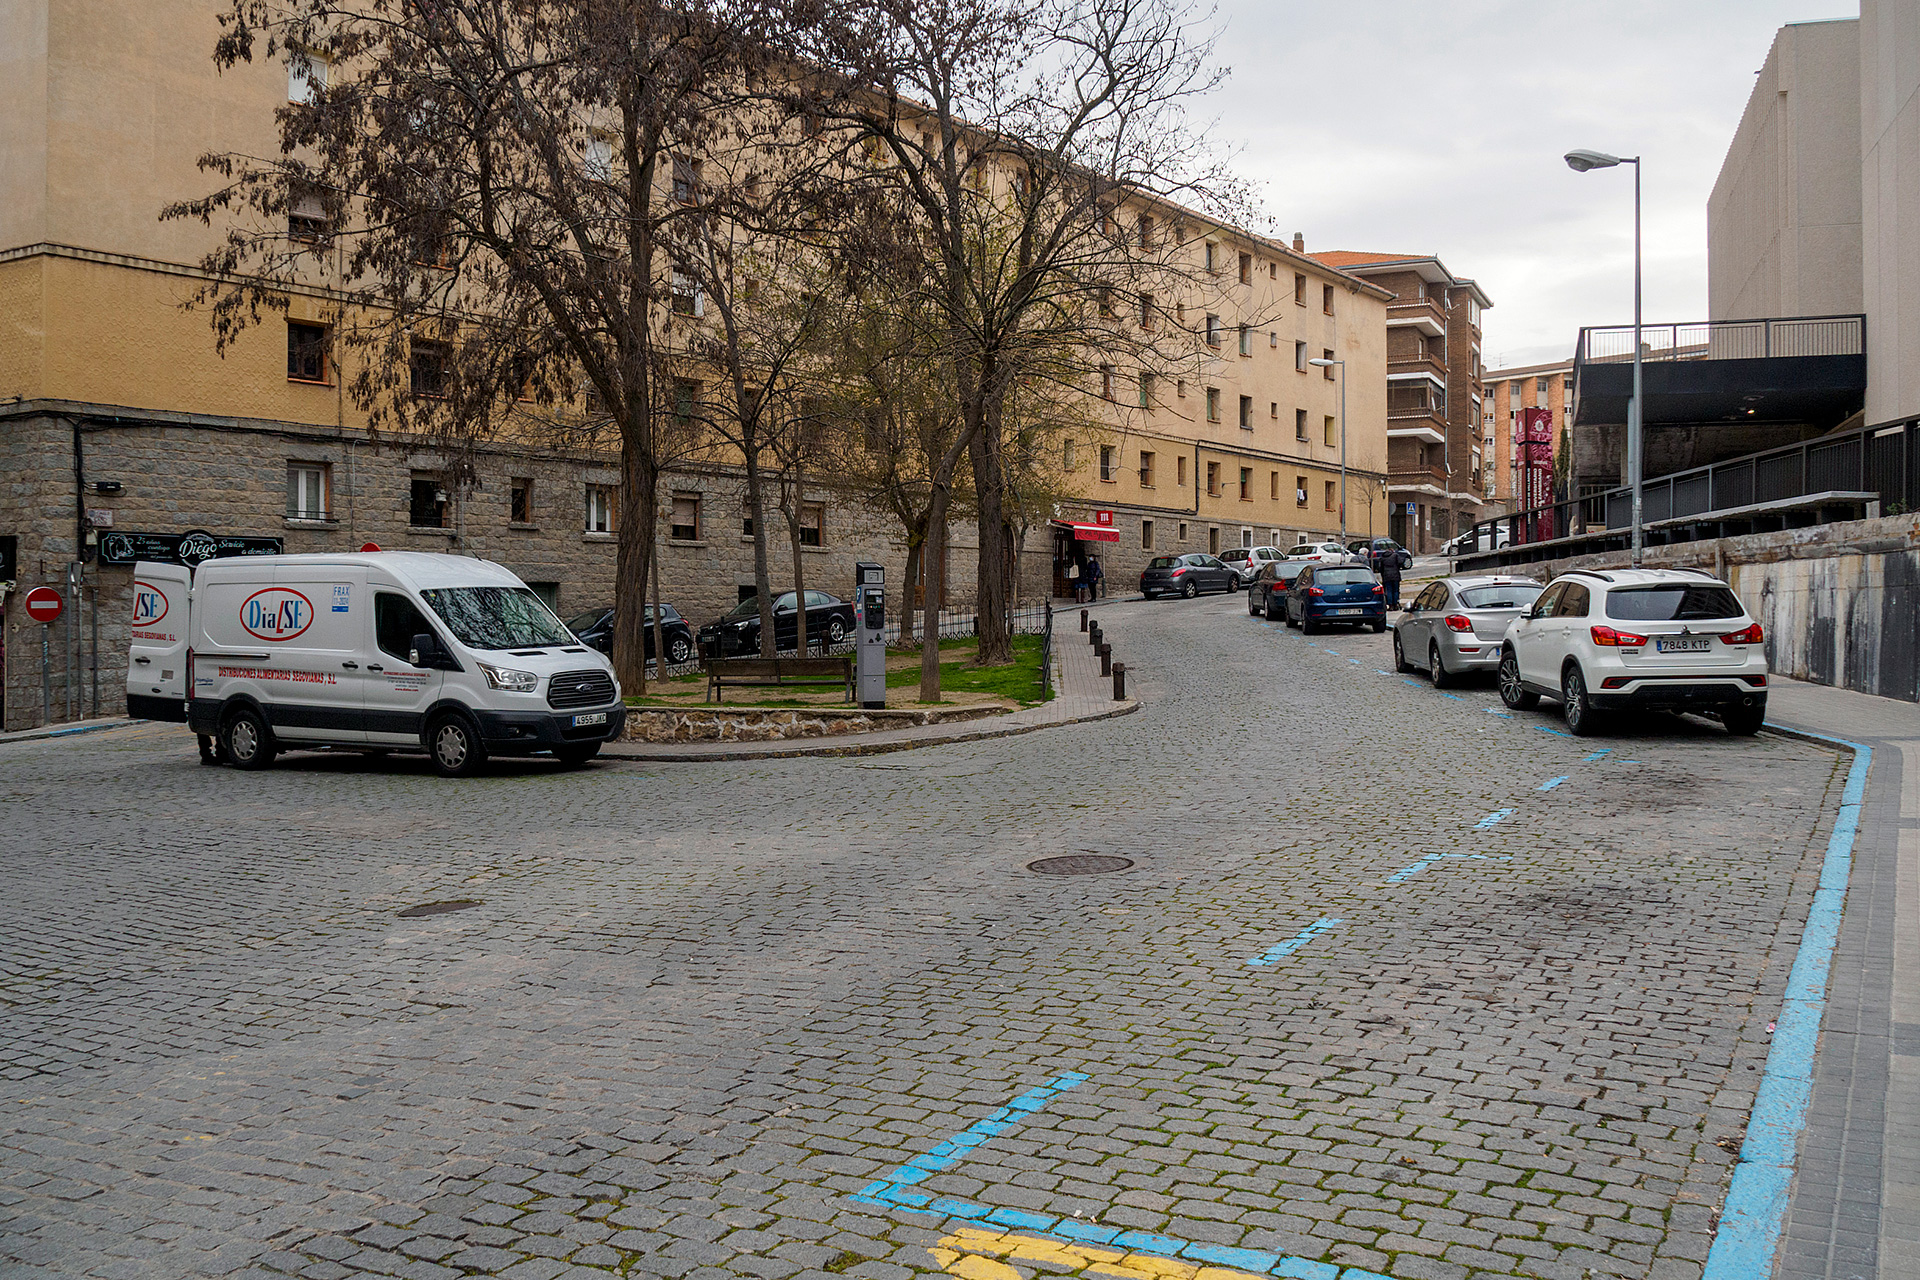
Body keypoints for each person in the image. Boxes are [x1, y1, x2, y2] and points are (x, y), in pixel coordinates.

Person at [1378, 543, 1403, 609]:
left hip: (1386, 576)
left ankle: (1390, 605)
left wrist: (1383, 576)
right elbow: (1401, 562)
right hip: (1395, 576)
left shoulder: (1383, 558)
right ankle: (1395, 604)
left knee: (1388, 590)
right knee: (1395, 590)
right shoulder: (1395, 555)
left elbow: (1380, 568)